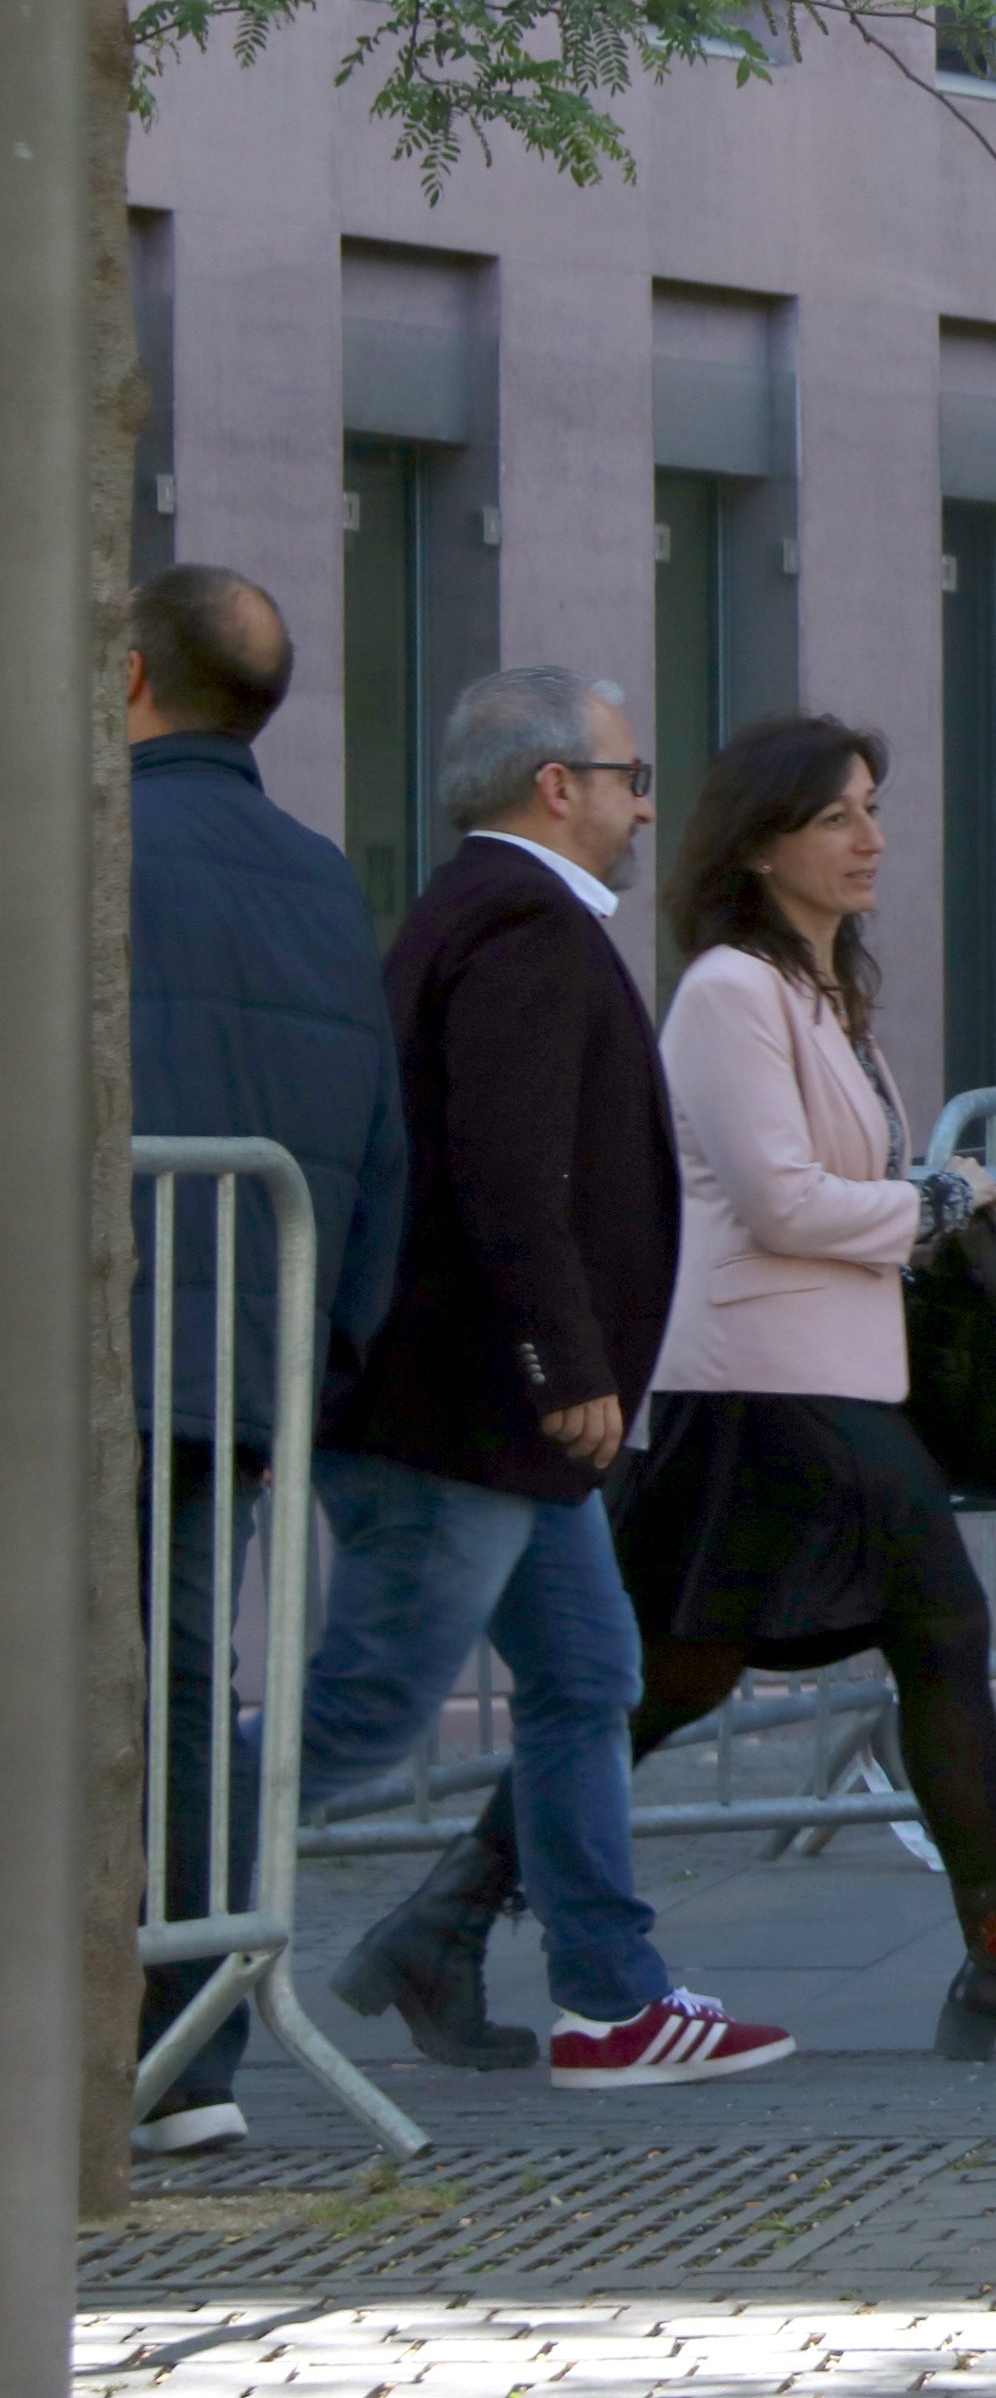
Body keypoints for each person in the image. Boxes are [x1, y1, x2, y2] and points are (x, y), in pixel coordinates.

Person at [590, 713, 996, 2068]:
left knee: (683, 1668)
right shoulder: (730, 989)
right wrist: (943, 1195)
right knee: (935, 1629)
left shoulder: (821, 992)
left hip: (832, 1376)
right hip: (768, 1378)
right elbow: (783, 1199)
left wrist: (914, 1203)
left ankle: (447, 1913)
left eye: (871, 809)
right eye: (839, 814)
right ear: (763, 838)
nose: (872, 838)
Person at [317, 669, 788, 2090]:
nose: (648, 804)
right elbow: (505, 1169)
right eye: (631, 775)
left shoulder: (494, 915)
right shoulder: (520, 921)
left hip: (501, 1422)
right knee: (364, 1710)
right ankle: (128, 1869)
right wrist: (562, 1362)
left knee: (591, 1674)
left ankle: (614, 1998)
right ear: (555, 785)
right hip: (470, 1410)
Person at [121, 567, 407, 2155]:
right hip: (242, 1344)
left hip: (106, 1340)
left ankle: (156, 2042)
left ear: (131, 675)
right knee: (183, 1684)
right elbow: (381, 1141)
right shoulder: (315, 879)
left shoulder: (93, 842)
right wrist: (319, 1349)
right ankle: (193, 2054)